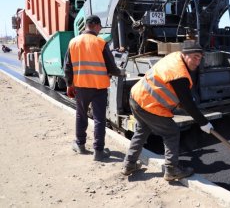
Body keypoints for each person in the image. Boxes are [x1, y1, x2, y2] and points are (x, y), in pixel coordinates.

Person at [121, 41, 214, 181]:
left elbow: (180, 95)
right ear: (185, 54)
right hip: (148, 104)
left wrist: (185, 101)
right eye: (195, 57)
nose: (197, 61)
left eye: (200, 57)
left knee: (142, 130)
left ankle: (129, 165)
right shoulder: (179, 73)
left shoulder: (176, 57)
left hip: (137, 96)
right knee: (171, 132)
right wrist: (203, 122)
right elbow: (187, 103)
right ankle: (172, 169)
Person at [64, 15, 125, 161]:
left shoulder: (73, 42)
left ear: (86, 26)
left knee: (81, 115)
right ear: (96, 26)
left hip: (81, 86)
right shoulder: (100, 42)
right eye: (100, 27)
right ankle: (98, 151)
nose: (100, 30)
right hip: (99, 87)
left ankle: (80, 144)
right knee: (99, 119)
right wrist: (121, 72)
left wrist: (69, 84)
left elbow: (67, 67)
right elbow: (111, 66)